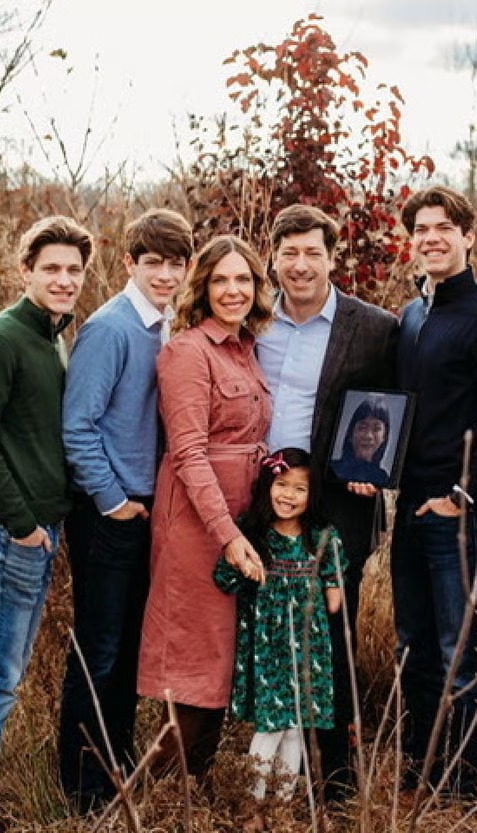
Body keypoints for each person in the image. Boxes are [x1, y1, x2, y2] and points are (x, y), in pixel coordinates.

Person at [0, 215, 93, 833]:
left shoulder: (53, 338)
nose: (64, 280)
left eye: (74, 270)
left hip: (36, 534)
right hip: (7, 536)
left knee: (2, 680)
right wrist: (22, 525)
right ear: (25, 272)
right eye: (52, 269)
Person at [256, 204, 398, 800]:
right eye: (289, 252)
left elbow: (388, 409)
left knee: (331, 638)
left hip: (340, 503)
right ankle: (268, 775)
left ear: (332, 257)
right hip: (264, 502)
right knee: (264, 634)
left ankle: (335, 780)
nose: (300, 264)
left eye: (312, 251)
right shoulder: (254, 321)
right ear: (274, 257)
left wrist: (375, 467)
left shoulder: (374, 327)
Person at [392, 185, 477, 799]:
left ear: (470, 237)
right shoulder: (413, 315)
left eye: (444, 227)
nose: (432, 238)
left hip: (460, 513)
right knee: (415, 645)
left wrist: (461, 497)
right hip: (409, 508)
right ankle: (422, 768)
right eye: (421, 229)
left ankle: (462, 781)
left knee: (457, 652)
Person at [59, 208, 193, 812]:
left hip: (145, 511)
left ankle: (113, 768)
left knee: (127, 649)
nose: (165, 274)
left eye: (175, 263)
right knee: (100, 647)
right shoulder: (111, 329)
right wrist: (113, 502)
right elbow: (77, 427)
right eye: (154, 263)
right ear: (130, 265)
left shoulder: (164, 324)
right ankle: (81, 789)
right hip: (107, 512)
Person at [137, 234, 274, 781]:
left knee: (218, 665)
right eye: (221, 280)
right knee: (194, 664)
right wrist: (227, 535)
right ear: (203, 287)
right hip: (198, 527)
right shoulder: (187, 351)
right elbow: (189, 452)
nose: (233, 290)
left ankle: (188, 790)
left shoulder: (246, 348)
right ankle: (154, 794)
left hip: (240, 519)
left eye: (243, 279)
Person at [213, 447, 347, 826]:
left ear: (313, 494)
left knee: (295, 728)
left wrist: (331, 586)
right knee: (271, 726)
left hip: (308, 645)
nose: (288, 495)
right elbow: (223, 579)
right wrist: (244, 567)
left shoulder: (321, 536)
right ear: (267, 487)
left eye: (299, 489)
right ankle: (254, 806)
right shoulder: (254, 533)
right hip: (269, 646)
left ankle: (284, 805)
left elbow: (334, 590)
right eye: (281, 485)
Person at [331, 395, 391, 487]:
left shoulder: (383, 478)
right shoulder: (332, 469)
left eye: (376, 429)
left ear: (384, 438)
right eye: (362, 428)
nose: (368, 436)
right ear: (350, 433)